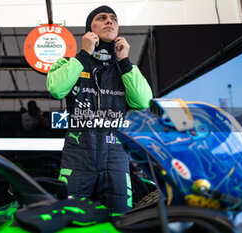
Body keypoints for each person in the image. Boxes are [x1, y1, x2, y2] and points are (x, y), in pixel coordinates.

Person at [47, 5, 153, 214]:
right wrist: (85, 54)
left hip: (115, 158)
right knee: (70, 218)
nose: (109, 21)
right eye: (102, 18)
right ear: (89, 29)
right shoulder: (69, 63)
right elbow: (57, 90)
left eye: (113, 18)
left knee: (119, 220)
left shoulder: (127, 69)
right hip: (78, 157)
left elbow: (143, 102)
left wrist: (124, 61)